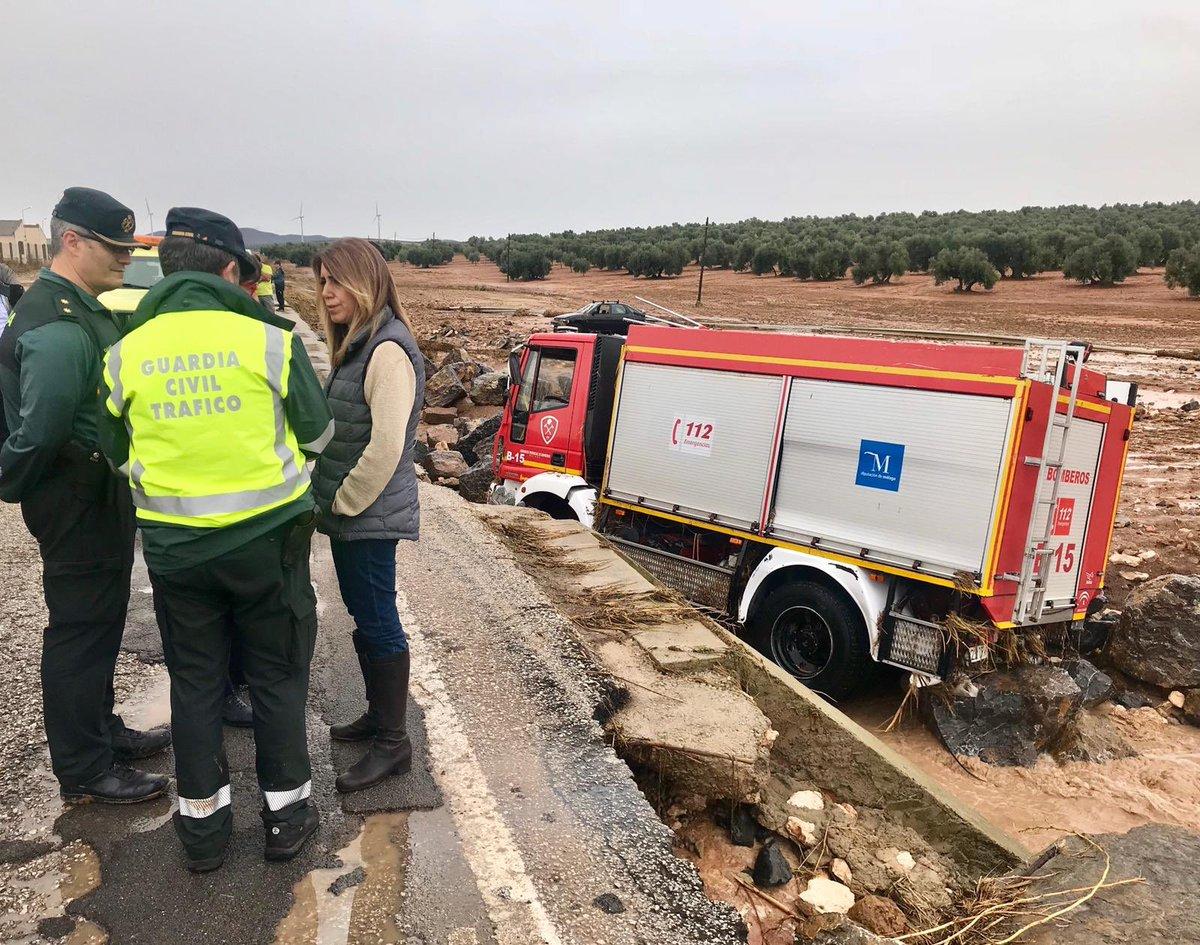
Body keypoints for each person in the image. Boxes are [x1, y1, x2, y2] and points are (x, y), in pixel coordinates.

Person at [98, 207, 334, 871]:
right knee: (278, 677)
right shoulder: (271, 340)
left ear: (168, 268)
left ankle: (202, 835)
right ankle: (286, 820)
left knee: (197, 686)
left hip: (177, 553)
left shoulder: (125, 352)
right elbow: (316, 435)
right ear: (232, 271)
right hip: (269, 547)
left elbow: (115, 449)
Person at [0, 187, 170, 805]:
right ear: (73, 241)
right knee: (80, 629)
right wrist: (14, 481)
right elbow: (39, 429)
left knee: (100, 622)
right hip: (76, 497)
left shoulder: (78, 307)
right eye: (116, 248)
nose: (126, 259)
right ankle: (83, 766)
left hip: (93, 492)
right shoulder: (60, 325)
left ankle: (101, 731)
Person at [312, 238, 425, 793]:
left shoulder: (386, 351)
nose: (326, 293)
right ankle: (381, 721)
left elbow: (385, 448)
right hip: (354, 517)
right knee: (366, 615)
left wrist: (343, 501)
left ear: (363, 282)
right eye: (322, 282)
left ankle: (393, 744)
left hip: (367, 517)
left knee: (379, 620)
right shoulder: (360, 344)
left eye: (335, 281)